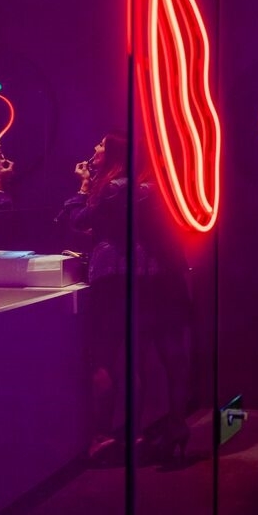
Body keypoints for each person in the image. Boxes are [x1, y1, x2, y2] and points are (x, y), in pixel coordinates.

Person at [57, 133, 191, 465]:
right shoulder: (159, 188)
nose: (95, 148)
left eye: (101, 144)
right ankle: (171, 427)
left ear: (117, 153)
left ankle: (105, 436)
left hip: (115, 278)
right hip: (161, 276)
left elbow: (78, 221)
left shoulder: (112, 189)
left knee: (107, 357)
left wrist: (83, 188)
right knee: (165, 358)